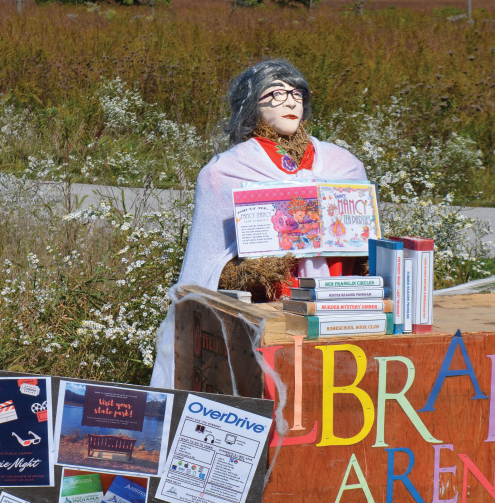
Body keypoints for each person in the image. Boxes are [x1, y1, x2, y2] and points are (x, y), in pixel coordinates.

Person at [150, 59, 367, 388]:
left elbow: (364, 241)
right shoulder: (225, 172)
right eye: (276, 93)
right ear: (250, 104)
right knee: (278, 395)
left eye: (297, 93)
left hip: (342, 309)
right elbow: (207, 266)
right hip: (267, 318)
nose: (290, 101)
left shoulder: (343, 165)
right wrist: (260, 268)